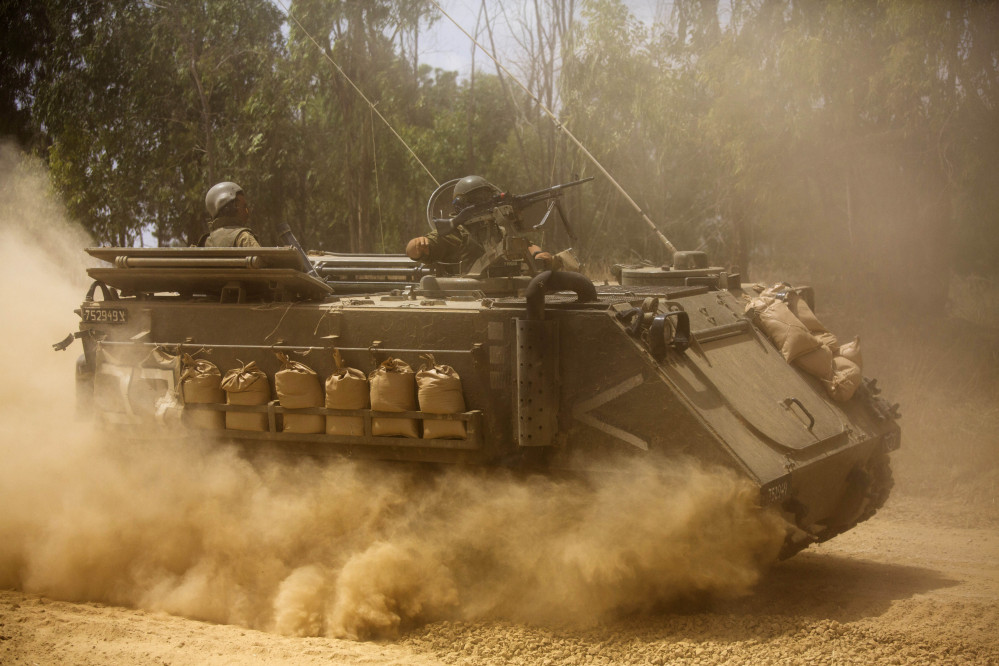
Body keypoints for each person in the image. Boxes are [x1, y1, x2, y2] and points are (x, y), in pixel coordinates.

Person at [406, 175, 550, 269]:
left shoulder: (498, 228)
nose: (485, 203)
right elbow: (416, 251)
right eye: (478, 200)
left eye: (487, 198)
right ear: (462, 205)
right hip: (468, 293)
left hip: (504, 288)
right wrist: (416, 244)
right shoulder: (454, 233)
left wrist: (538, 253)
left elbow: (526, 244)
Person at [200, 181, 261, 247]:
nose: (247, 212)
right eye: (244, 207)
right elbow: (259, 257)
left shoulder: (206, 241)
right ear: (231, 208)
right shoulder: (244, 237)